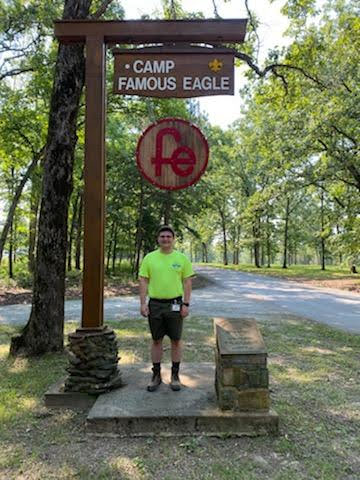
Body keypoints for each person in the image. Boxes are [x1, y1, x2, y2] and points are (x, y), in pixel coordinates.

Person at [139, 225, 194, 392]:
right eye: (162, 236)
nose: (165, 239)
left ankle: (175, 376)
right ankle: (156, 376)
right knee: (156, 340)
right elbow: (143, 280)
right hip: (155, 304)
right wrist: (143, 303)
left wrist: (185, 304)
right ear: (158, 239)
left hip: (175, 304)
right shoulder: (150, 258)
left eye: (168, 237)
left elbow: (187, 282)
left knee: (176, 340)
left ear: (173, 239)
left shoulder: (181, 258)